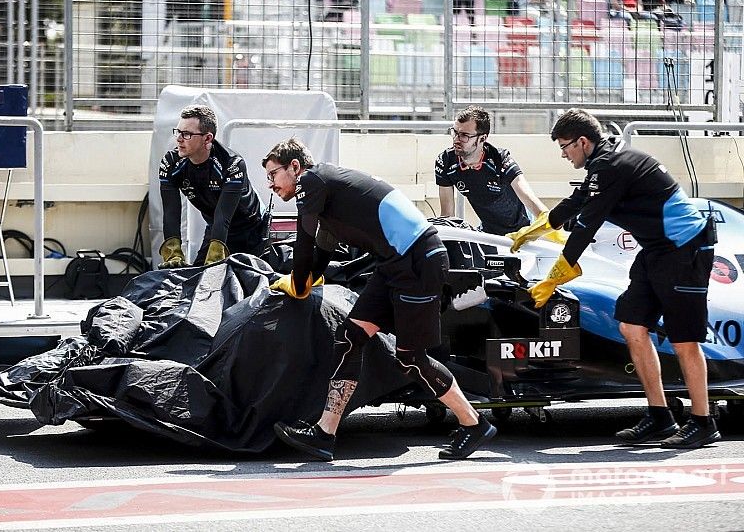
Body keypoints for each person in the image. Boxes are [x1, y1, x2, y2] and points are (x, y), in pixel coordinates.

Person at [263, 138, 496, 461]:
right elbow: (323, 249)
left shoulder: (311, 181)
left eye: (273, 175)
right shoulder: (327, 191)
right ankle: (324, 434)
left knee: (410, 357)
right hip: (394, 264)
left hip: (418, 261)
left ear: (295, 167)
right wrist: (305, 279)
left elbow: (304, 242)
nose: (271, 185)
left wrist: (299, 282)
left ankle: (475, 424)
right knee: (350, 338)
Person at [508, 108, 720, 449]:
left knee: (684, 339)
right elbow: (576, 203)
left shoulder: (612, 167)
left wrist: (555, 277)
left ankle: (703, 421)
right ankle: (660, 416)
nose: (563, 154)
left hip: (686, 250)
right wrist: (537, 228)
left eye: (565, 146)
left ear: (582, 141)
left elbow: (585, 225)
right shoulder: (603, 164)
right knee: (632, 326)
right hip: (656, 251)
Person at [157, 104, 268, 269]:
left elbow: (223, 216)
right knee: (198, 278)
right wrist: (172, 254)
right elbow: (171, 212)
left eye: (186, 134)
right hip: (214, 227)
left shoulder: (232, 164)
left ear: (207, 138)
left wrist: (215, 258)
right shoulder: (171, 164)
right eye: (178, 132)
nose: (179, 139)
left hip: (251, 230)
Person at [436, 105, 548, 236]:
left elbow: (531, 201)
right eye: (454, 132)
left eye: (464, 135)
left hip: (523, 230)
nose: (456, 139)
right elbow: (447, 216)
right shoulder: (445, 161)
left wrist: (548, 222)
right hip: (488, 233)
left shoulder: (500, 159)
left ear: (482, 138)